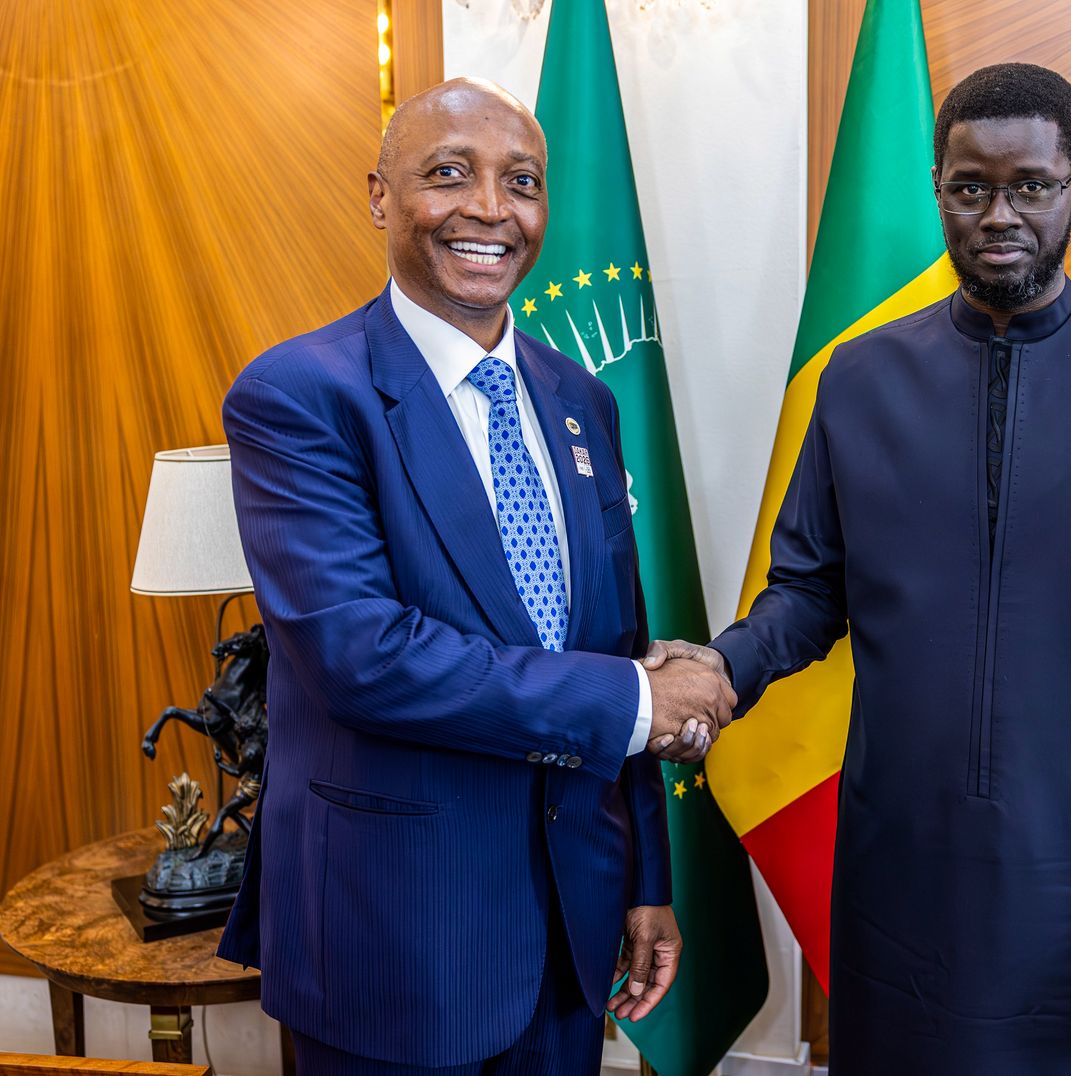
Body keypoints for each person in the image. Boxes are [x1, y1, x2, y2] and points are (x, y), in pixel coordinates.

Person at [649, 63, 1071, 1073]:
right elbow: (808, 591)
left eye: (1031, 186)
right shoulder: (859, 378)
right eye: (971, 187)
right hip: (897, 878)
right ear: (937, 189)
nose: (999, 215)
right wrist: (722, 666)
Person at [216, 78, 733, 1074]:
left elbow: (616, 645)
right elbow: (362, 657)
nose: (491, 209)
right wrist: (638, 699)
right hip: (393, 940)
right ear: (380, 196)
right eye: (449, 174)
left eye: (522, 181)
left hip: (571, 927)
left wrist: (644, 881)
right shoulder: (299, 395)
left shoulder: (581, 398)